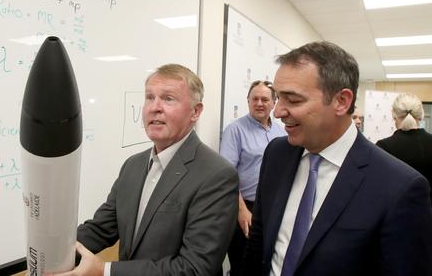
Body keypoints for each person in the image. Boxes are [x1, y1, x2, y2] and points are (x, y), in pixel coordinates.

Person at [242, 41, 432, 276]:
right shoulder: (276, 154)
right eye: (279, 98)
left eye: (292, 100)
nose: (278, 111)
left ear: (341, 101)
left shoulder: (400, 187)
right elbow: (258, 244)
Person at [53, 64, 238, 276]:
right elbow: (101, 228)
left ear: (195, 111)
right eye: (149, 97)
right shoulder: (133, 165)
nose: (154, 107)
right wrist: (53, 253)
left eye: (168, 99)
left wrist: (105, 270)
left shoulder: (217, 175)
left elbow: (195, 268)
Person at [220, 80, 286, 276]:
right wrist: (242, 212)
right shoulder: (235, 130)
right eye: (254, 99)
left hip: (271, 207)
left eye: (265, 99)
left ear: (274, 103)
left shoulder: (280, 132)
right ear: (248, 101)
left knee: (265, 264)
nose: (259, 103)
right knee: (243, 265)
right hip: (244, 207)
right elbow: (227, 175)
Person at [377, 93, 432, 202]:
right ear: (421, 115)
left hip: (397, 216)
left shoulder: (383, 147)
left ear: (393, 115)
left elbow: (378, 188)